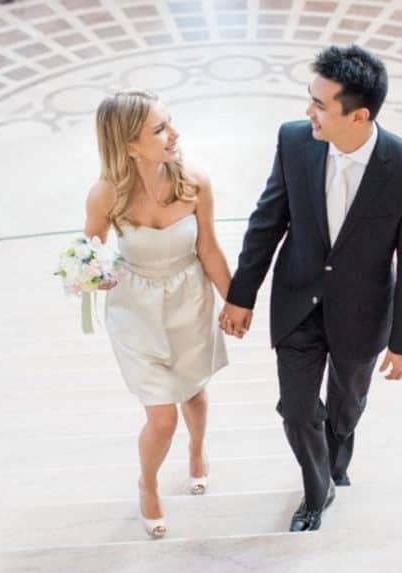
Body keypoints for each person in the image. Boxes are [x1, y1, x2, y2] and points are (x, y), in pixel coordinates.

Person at [220, 45, 402, 532]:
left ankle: (337, 459)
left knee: (347, 406)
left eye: (320, 104)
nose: (307, 112)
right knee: (297, 410)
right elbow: (266, 221)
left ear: (358, 115)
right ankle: (317, 490)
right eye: (309, 99)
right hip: (298, 300)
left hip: (362, 312)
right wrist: (241, 293)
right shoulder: (294, 141)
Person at [85, 91, 230, 540]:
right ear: (130, 145)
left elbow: (208, 247)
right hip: (136, 310)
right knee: (162, 415)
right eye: (160, 128)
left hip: (190, 300)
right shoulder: (105, 194)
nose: (175, 134)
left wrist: (236, 302)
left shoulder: (195, 182)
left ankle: (198, 448)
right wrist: (96, 277)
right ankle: (147, 482)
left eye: (171, 122)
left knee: (195, 394)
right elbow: (90, 254)